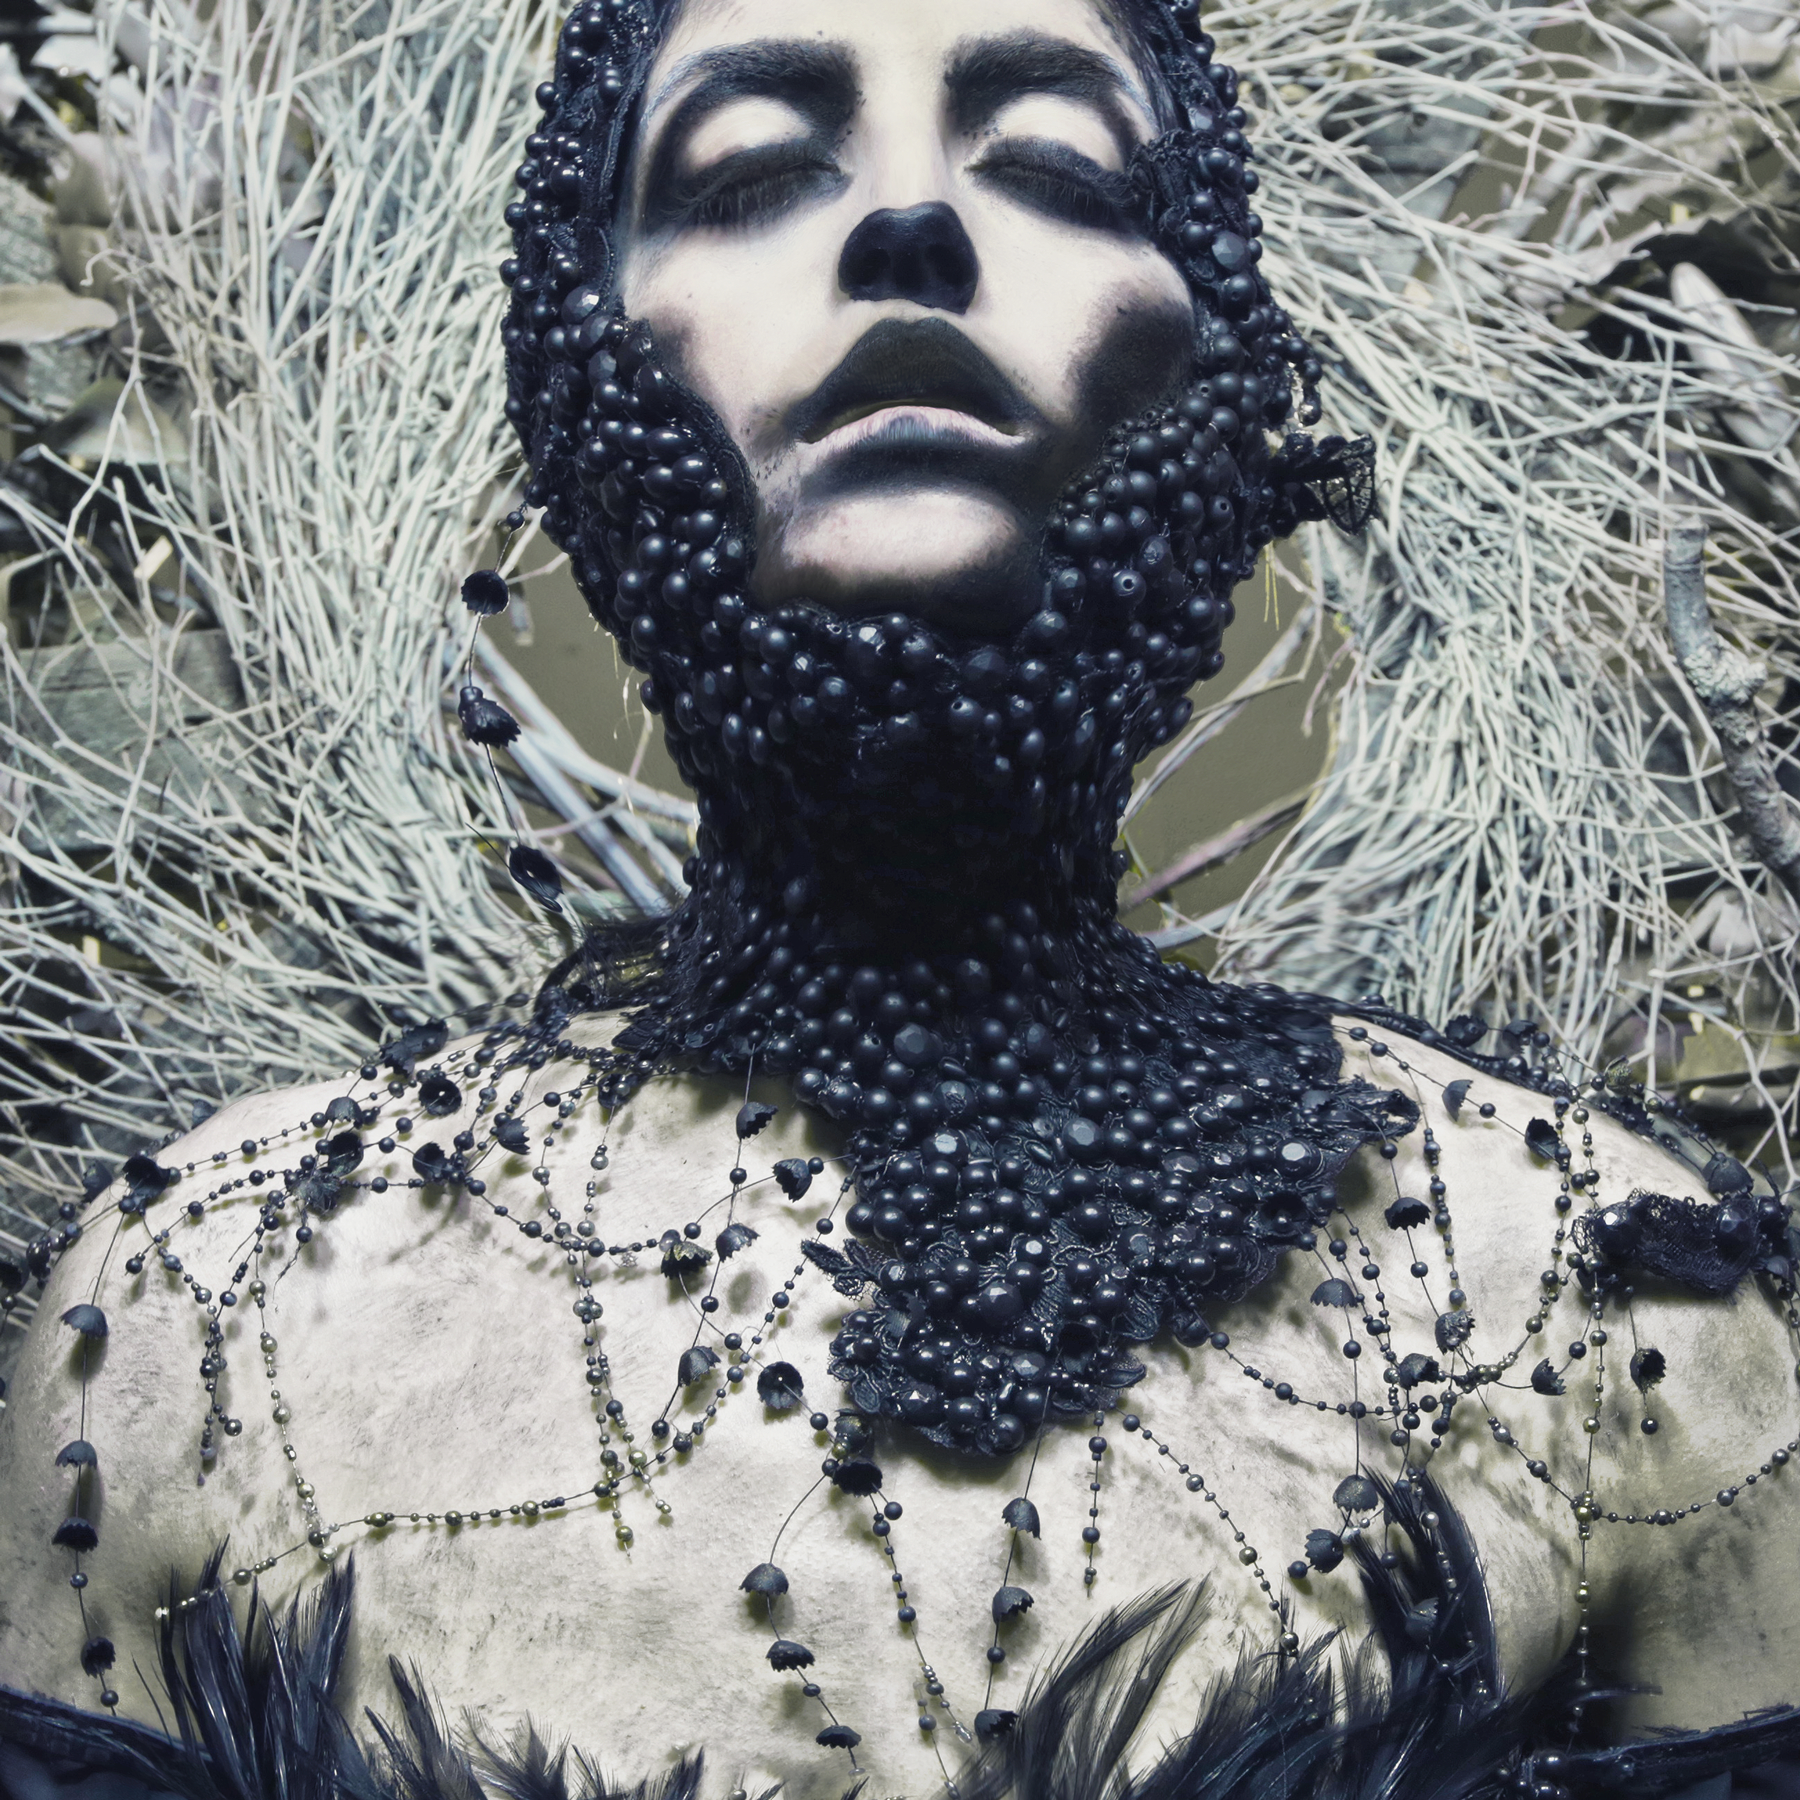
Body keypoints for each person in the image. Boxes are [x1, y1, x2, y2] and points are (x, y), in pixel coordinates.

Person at [2, 1, 1798, 1796]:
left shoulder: (1612, 1314)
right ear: (575, 381)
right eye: (750, 170)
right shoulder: (189, 1333)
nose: (910, 222)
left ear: (1221, 376)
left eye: (1059, 169)